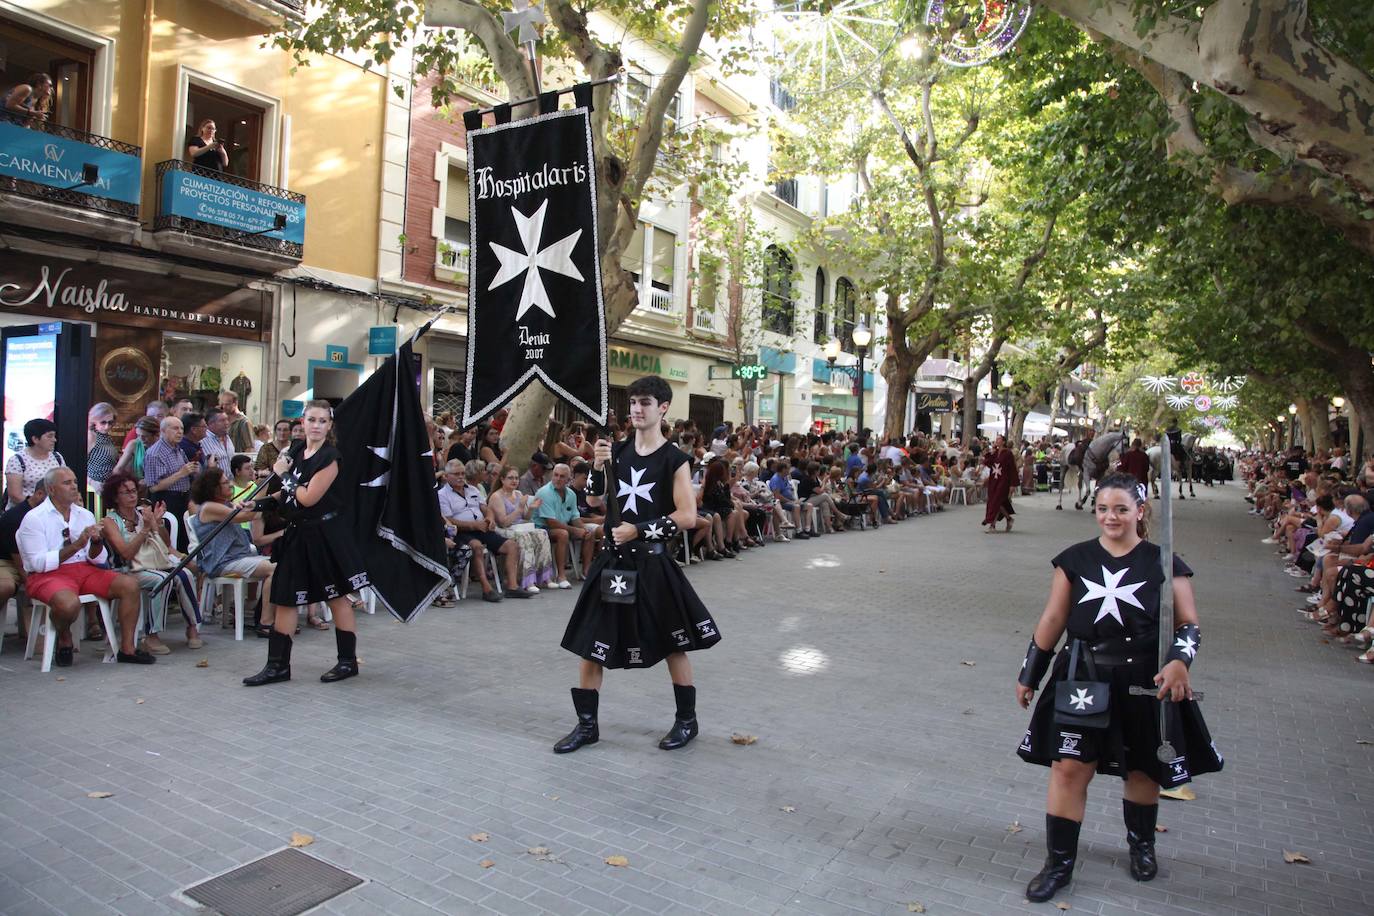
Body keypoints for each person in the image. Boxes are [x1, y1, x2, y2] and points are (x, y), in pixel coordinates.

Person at [1014, 472, 1222, 903]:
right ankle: (1058, 864)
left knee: (1144, 767)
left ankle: (1142, 845)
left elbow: (1189, 623)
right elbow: (1053, 619)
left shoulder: (1165, 562)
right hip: (1082, 674)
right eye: (1103, 509)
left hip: (1145, 678)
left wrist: (1180, 661)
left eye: (1121, 509)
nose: (1111, 517)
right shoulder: (1074, 559)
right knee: (1069, 767)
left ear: (1139, 512)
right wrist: (1031, 672)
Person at [555, 375, 723, 754]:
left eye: (645, 402)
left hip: (652, 564)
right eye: (632, 402)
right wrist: (598, 467)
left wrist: (640, 531)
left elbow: (688, 514)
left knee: (672, 644)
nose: (636, 409)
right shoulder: (616, 451)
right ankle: (586, 727)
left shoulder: (674, 459)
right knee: (590, 644)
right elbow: (597, 503)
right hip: (612, 564)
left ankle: (686, 721)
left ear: (662, 408)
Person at [242, 401, 371, 686]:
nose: (316, 425)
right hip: (298, 534)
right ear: (303, 421)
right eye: (311, 419)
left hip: (326, 535)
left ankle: (347, 662)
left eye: (322, 421)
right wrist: (259, 502)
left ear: (329, 425)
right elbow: (286, 494)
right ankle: (277, 666)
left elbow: (308, 497)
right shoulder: (298, 450)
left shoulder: (330, 458)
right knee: (286, 597)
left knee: (337, 597)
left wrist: (282, 473)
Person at [17, 467, 150, 667]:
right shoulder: (34, 518)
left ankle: (127, 649)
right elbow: (38, 563)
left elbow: (97, 559)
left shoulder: (85, 514)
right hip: (48, 574)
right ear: (51, 490)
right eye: (67, 483)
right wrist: (77, 545)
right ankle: (64, 636)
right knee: (68, 604)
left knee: (130, 584)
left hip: (84, 569)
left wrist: (96, 543)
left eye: (75, 482)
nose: (74, 487)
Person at [99, 472, 202, 655]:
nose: (132, 495)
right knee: (164, 579)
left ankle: (192, 626)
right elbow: (126, 553)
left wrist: (158, 523)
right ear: (115, 497)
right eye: (126, 492)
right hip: (126, 569)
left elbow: (165, 545)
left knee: (184, 574)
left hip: (153, 563)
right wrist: (145, 529)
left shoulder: (142, 514)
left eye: (134, 491)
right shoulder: (110, 522)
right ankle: (151, 635)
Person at [189, 467, 281, 635]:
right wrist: (263, 487)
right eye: (225, 483)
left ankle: (267, 615)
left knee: (282, 564)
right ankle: (266, 622)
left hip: (237, 557)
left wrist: (264, 491)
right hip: (222, 562)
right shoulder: (209, 507)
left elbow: (248, 509)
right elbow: (245, 516)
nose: (230, 486)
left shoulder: (224, 504)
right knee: (275, 569)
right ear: (213, 488)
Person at [437, 461, 526, 602]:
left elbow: (485, 508)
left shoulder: (473, 490)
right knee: (477, 547)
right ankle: (486, 589)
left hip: (481, 528)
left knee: (511, 546)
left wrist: (490, 518)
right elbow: (449, 520)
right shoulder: (442, 495)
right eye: (456, 474)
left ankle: (512, 587)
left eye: (462, 473)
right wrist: (474, 525)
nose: (461, 477)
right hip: (460, 532)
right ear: (447, 476)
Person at [487, 466, 555, 593]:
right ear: (502, 479)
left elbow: (525, 517)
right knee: (524, 537)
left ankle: (545, 577)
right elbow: (503, 522)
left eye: (516, 478)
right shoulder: (496, 496)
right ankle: (527, 580)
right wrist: (519, 508)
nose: (514, 481)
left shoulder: (518, 494)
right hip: (502, 529)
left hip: (518, 527)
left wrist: (531, 508)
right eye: (510, 478)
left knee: (542, 533)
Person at [535, 463, 597, 584]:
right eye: (555, 475)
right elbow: (551, 522)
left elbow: (575, 518)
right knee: (562, 534)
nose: (558, 479)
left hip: (563, 525)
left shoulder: (571, 494)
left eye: (562, 476)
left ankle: (586, 571)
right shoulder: (544, 493)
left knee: (590, 532)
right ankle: (561, 576)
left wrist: (583, 529)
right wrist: (575, 530)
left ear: (569, 479)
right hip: (542, 528)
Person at [0, 479, 45, 644]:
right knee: (4, 586)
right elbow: (20, 564)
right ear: (39, 494)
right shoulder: (16, 517)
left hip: (37, 560)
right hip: (8, 561)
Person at [144, 417, 199, 551]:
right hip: (167, 500)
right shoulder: (154, 453)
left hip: (184, 498)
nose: (180, 432)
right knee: (174, 538)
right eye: (175, 428)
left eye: (181, 428)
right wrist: (181, 473)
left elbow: (186, 471)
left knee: (186, 538)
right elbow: (153, 487)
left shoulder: (178, 449)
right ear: (163, 431)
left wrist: (194, 470)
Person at [5, 418, 65, 508]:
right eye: (50, 436)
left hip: (54, 511)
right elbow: (15, 495)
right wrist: (40, 509)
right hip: (25, 511)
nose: (54, 440)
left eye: (54, 436)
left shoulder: (57, 457)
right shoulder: (17, 460)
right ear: (35, 439)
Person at [982, 435, 1017, 533]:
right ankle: (1009, 519)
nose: (996, 441)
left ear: (1003, 442)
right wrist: (989, 452)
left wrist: (1013, 484)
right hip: (994, 480)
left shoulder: (1008, 454)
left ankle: (992, 526)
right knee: (995, 501)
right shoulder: (996, 453)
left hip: (1003, 481)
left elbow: (1012, 469)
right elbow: (988, 463)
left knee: (996, 501)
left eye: (999, 439)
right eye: (996, 439)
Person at [86, 403, 119, 500]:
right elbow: (78, 465)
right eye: (103, 422)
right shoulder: (91, 436)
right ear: (94, 420)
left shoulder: (107, 437)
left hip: (107, 487)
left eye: (110, 422)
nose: (107, 426)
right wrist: (92, 482)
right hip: (93, 489)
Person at [113, 416, 160, 482]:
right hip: (137, 484)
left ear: (156, 435)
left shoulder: (163, 446)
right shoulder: (134, 444)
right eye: (138, 435)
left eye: (145, 436)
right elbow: (119, 468)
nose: (141, 439)